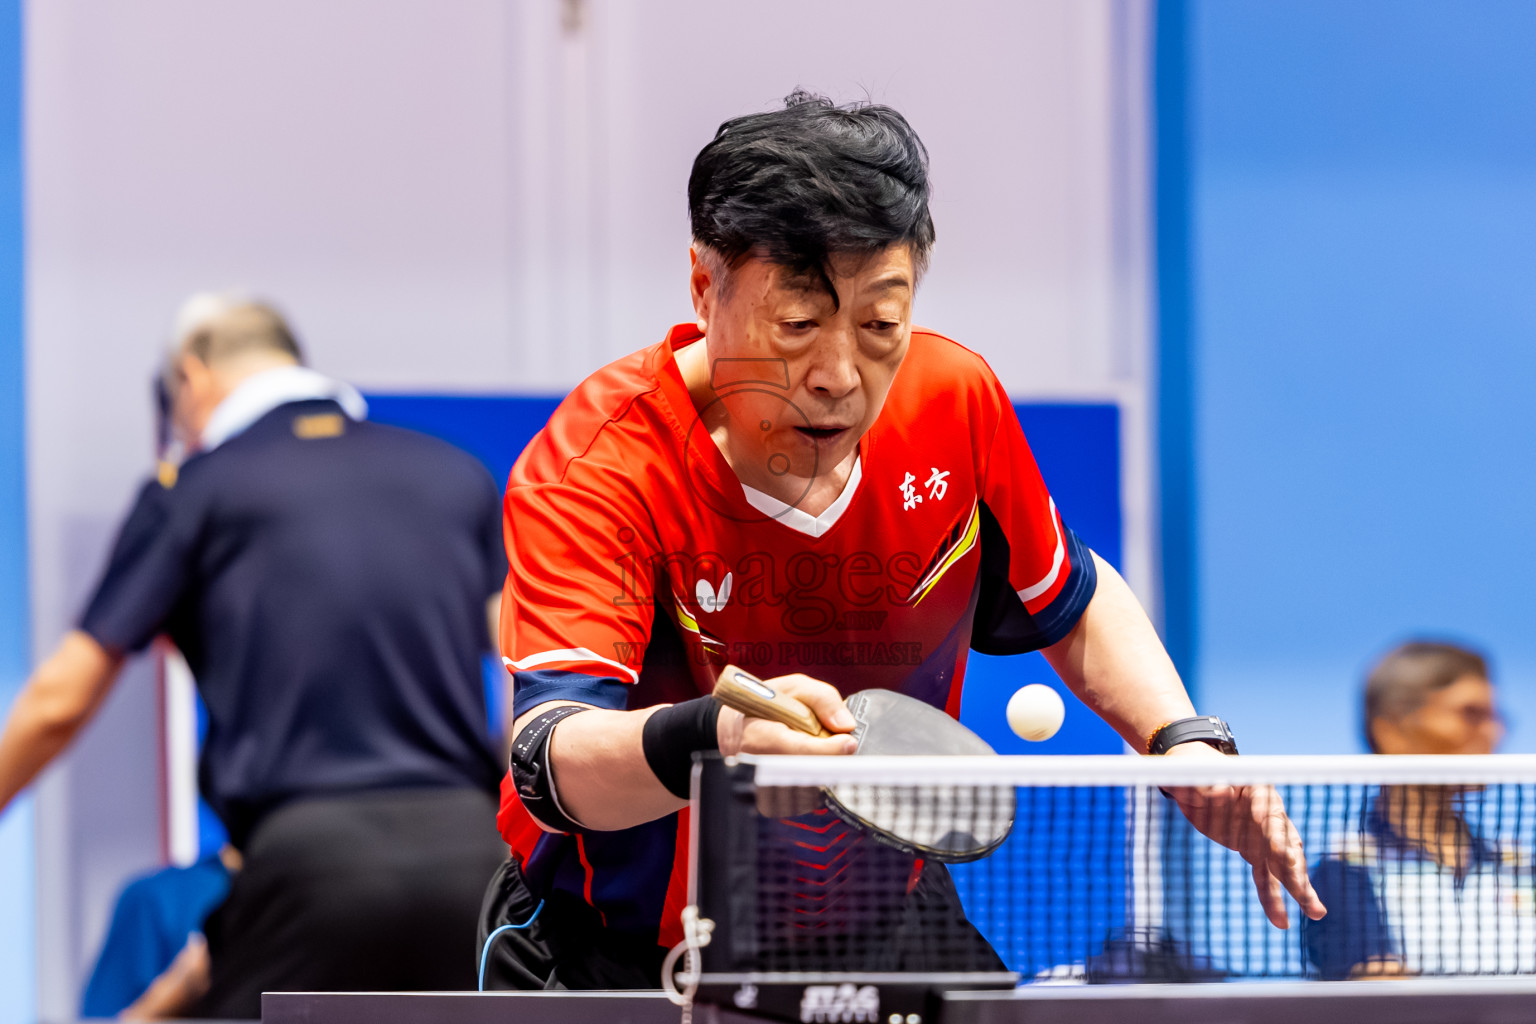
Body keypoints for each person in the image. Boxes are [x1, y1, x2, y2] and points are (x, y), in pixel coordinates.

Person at [478, 91, 1325, 990]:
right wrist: (718, 738)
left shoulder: (952, 400)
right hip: (632, 951)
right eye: (798, 326)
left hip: (884, 919)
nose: (841, 375)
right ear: (703, 284)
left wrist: (1181, 739)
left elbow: (1068, 597)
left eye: (881, 325)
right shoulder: (602, 466)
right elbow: (552, 762)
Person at [0, 295, 509, 1017]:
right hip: (472, 858)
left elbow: (60, 702)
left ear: (191, 376)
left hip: (311, 867)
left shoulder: (195, 492)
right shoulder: (453, 474)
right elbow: (528, 667)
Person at [1303, 641, 1518, 979]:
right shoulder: (1344, 871)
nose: (1494, 731)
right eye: (1471, 714)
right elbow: (1376, 990)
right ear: (1392, 730)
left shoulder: (1516, 865)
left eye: (1494, 715)